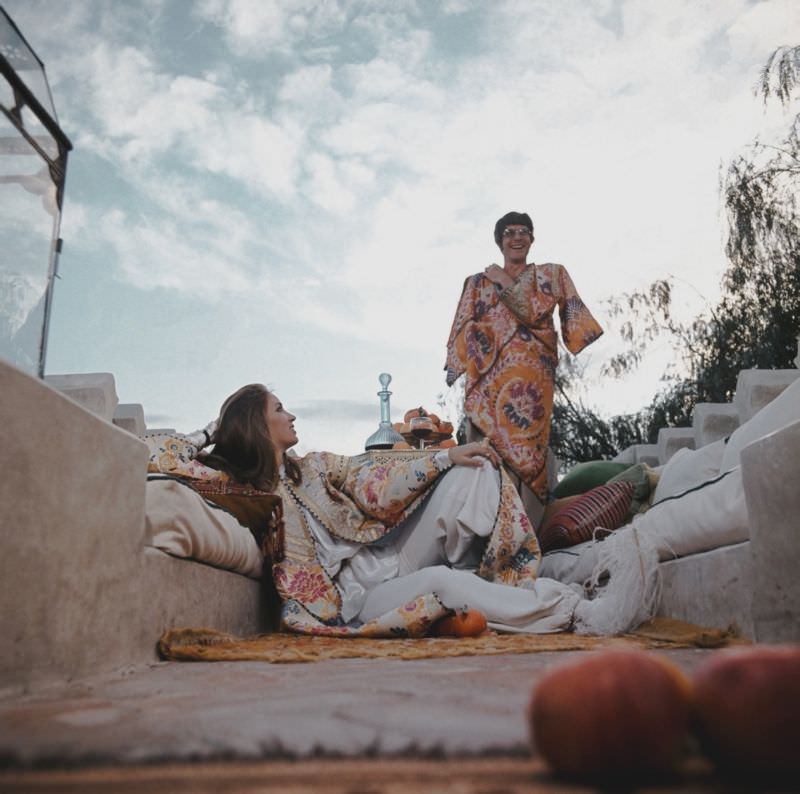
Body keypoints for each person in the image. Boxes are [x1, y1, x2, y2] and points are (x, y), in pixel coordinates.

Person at [149, 383, 587, 638]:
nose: (292, 415)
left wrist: (444, 459)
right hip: (355, 599)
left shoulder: (317, 467)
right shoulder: (243, 487)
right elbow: (158, 454)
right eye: (280, 410)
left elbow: (373, 479)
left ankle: (480, 589)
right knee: (440, 582)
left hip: (390, 555)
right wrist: (213, 429)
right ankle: (566, 609)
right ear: (257, 425)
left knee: (470, 471)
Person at [445, 211, 603, 527]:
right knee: (485, 450)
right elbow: (462, 326)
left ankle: (527, 533)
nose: (516, 237)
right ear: (500, 241)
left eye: (523, 231)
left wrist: (504, 282)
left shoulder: (550, 275)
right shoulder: (477, 282)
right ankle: (483, 532)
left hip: (531, 378)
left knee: (529, 452)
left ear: (531, 239)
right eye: (508, 232)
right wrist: (465, 354)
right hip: (489, 380)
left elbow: (535, 312)